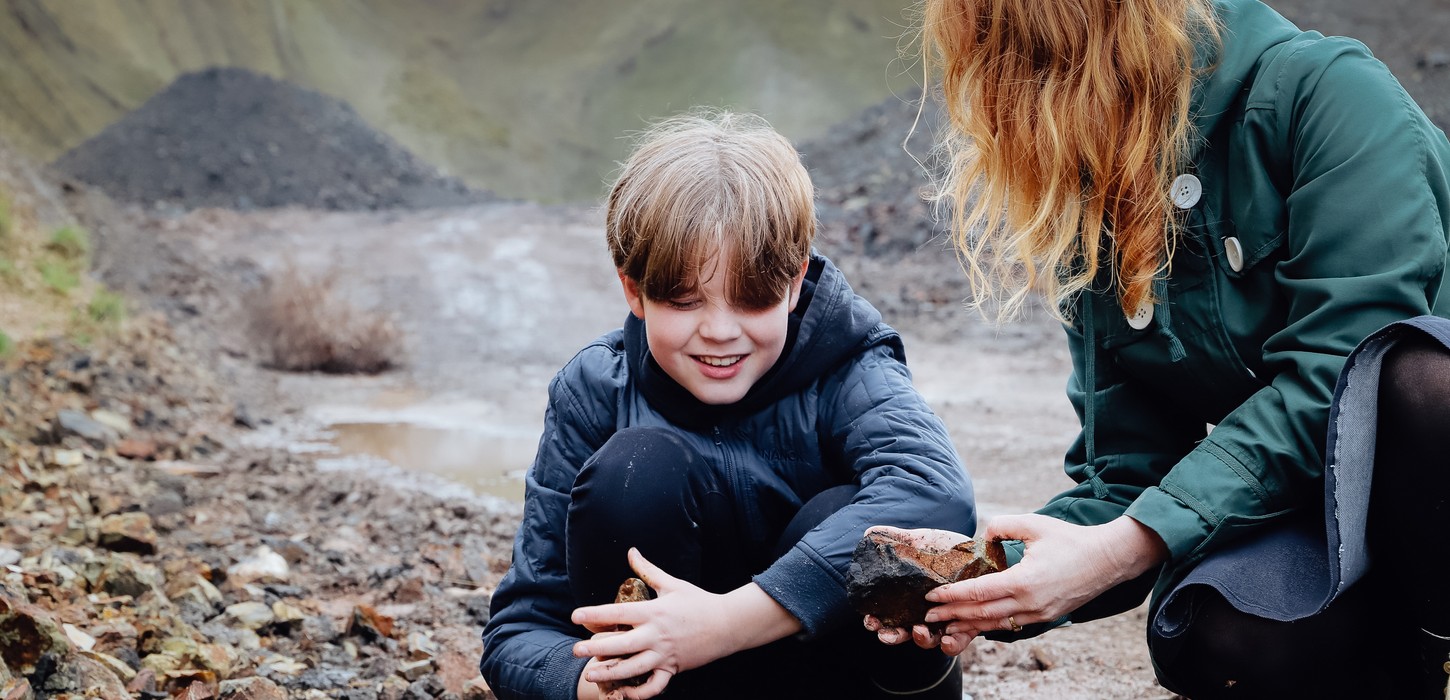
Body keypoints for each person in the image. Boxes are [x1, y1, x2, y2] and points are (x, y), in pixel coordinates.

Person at [867, 0, 1450, 697]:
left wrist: (1128, 543)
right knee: (1218, 630)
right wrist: (992, 583)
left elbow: (1341, 381)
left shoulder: (1328, 96)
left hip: (1429, 459)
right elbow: (1128, 472)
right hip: (1341, 516)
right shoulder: (1099, 193)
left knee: (1419, 380)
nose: (1003, 100)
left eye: (1021, 62)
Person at [479, 109, 977, 700]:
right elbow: (519, 631)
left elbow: (938, 493)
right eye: (686, 301)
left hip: (841, 680)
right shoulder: (597, 387)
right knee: (634, 470)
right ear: (633, 290)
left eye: (752, 300)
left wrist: (725, 624)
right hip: (672, 679)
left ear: (793, 284)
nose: (719, 332)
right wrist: (587, 678)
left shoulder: (850, 365)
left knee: (859, 516)